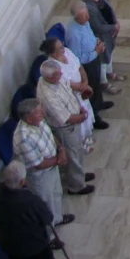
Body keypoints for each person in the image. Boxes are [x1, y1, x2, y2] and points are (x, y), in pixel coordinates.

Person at [36, 59, 94, 196]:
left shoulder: (57, 78)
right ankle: (76, 186)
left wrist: (80, 107)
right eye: (58, 75)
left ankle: (79, 175)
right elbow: (65, 117)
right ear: (49, 77)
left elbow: (68, 87)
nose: (61, 76)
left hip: (74, 119)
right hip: (65, 128)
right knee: (72, 154)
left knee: (77, 150)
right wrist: (82, 117)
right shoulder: (47, 96)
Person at [12, 100, 71, 228]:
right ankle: (49, 236)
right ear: (29, 119)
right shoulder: (23, 138)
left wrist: (60, 149)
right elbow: (38, 164)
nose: (43, 113)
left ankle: (57, 219)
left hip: (52, 166)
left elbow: (50, 135)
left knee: (56, 193)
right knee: (46, 205)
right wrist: (60, 160)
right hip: (40, 176)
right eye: (39, 112)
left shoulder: (39, 120)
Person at [41, 36, 101, 144]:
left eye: (61, 45)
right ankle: (82, 142)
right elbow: (66, 83)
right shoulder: (53, 66)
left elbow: (80, 67)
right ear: (52, 53)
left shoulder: (67, 52)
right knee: (79, 120)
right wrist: (82, 87)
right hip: (73, 94)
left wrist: (85, 82)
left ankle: (87, 137)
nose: (63, 48)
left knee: (87, 113)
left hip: (82, 88)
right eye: (59, 48)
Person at [64, 2, 107, 117]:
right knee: (91, 87)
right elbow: (77, 57)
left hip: (94, 57)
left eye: (87, 13)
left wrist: (97, 41)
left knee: (97, 82)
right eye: (83, 15)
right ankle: (95, 114)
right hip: (87, 64)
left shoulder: (85, 23)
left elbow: (91, 36)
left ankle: (100, 102)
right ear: (76, 17)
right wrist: (96, 52)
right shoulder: (74, 34)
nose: (87, 17)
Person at [80, 0, 124, 89]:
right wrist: (113, 27)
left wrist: (115, 22)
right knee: (102, 60)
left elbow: (110, 10)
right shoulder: (88, 7)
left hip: (109, 32)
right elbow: (97, 27)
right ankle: (104, 82)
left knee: (109, 53)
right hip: (100, 36)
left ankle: (110, 73)